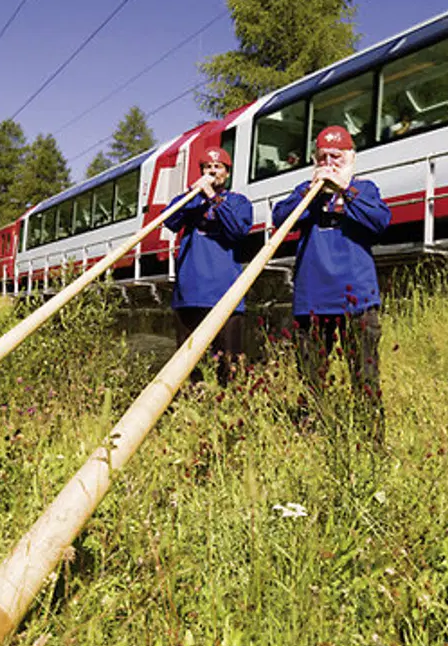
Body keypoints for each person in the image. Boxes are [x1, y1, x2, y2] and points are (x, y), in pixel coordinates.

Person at [272, 126, 392, 440]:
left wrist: (344, 190)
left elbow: (380, 222)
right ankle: (315, 435)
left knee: (365, 376)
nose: (330, 163)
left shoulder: (364, 189)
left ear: (350, 158)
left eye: (336, 157)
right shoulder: (305, 191)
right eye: (323, 157)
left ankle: (372, 440)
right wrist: (308, 193)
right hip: (312, 299)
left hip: (358, 300)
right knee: (311, 377)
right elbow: (279, 219)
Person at [164, 146, 253, 384]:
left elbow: (237, 230)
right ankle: (192, 408)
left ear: (227, 172)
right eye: (207, 167)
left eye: (218, 167)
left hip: (226, 296)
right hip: (190, 295)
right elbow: (170, 220)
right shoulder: (190, 201)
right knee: (188, 364)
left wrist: (214, 199)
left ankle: (229, 410)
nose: (213, 171)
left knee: (229, 365)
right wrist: (195, 196)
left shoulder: (239, 201)